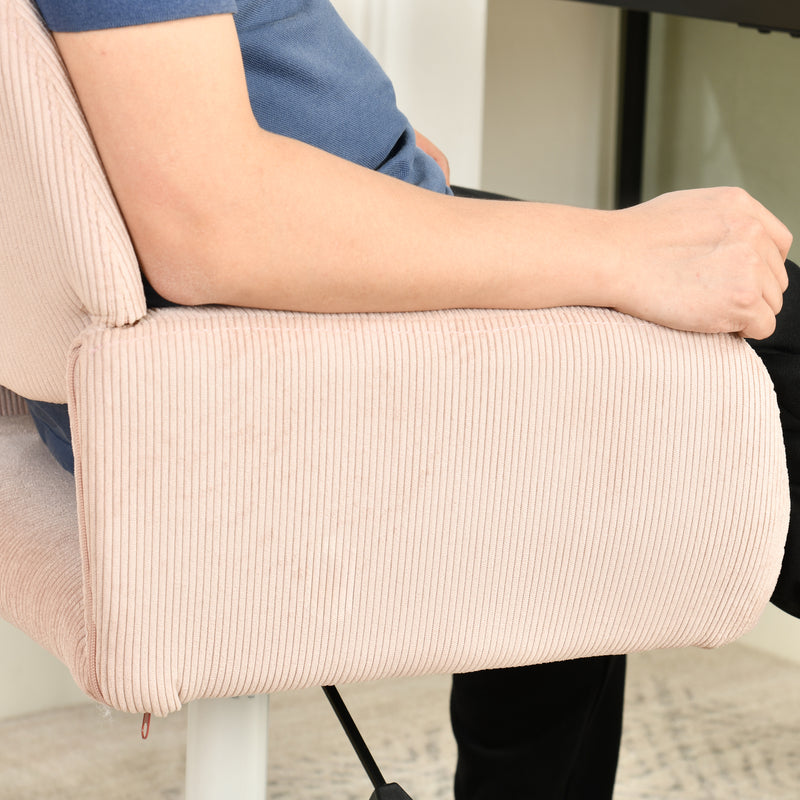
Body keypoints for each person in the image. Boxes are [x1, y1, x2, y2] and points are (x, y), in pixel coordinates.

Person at [24, 2, 798, 798]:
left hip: (275, 290)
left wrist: (384, 153)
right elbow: (204, 221)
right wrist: (624, 253)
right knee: (765, 344)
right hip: (248, 348)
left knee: (582, 459)